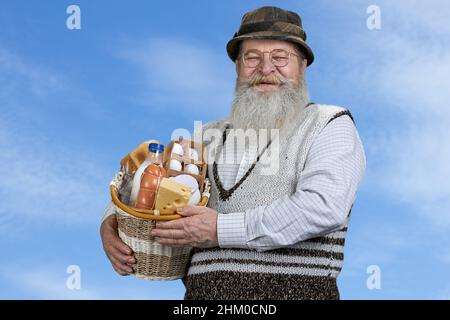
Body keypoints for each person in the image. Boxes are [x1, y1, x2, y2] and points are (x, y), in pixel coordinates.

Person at [100, 6, 366, 300]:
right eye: (252, 57)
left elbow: (322, 208)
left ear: (302, 66)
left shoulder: (329, 123)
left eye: (280, 57)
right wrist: (109, 223)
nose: (266, 69)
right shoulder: (205, 136)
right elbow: (149, 182)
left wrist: (219, 229)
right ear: (238, 66)